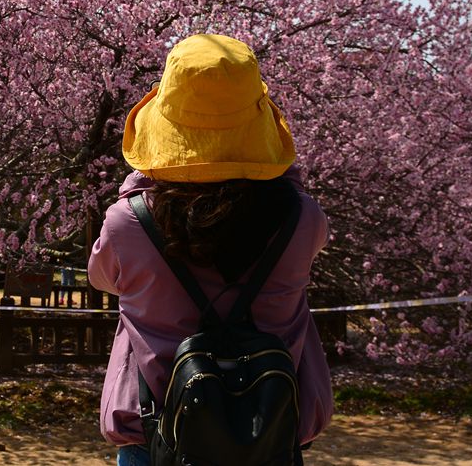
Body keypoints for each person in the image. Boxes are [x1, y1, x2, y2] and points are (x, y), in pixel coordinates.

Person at [88, 34, 333, 466]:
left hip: (158, 433)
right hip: (265, 433)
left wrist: (137, 189)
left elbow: (102, 278)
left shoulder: (128, 222)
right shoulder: (302, 219)